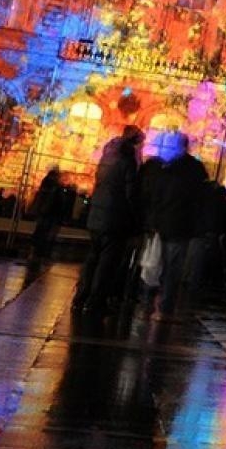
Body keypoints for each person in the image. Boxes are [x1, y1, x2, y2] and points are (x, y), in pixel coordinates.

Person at [73, 126, 144, 311]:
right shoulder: (128, 161)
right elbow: (131, 194)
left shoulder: (107, 157)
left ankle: (80, 298)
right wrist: (137, 219)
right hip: (114, 218)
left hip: (97, 215)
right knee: (107, 262)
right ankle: (95, 301)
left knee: (92, 258)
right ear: (134, 143)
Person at [146, 134, 211, 318]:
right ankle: (166, 303)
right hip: (182, 225)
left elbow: (157, 195)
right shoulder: (196, 169)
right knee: (173, 265)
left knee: (157, 261)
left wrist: (154, 219)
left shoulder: (167, 167)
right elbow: (202, 199)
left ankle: (149, 297)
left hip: (165, 222)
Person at [29, 168, 68, 261]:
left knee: (40, 232)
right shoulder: (56, 187)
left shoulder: (45, 184)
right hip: (50, 214)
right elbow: (60, 202)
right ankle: (40, 254)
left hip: (44, 213)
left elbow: (39, 198)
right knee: (45, 234)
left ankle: (35, 253)